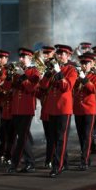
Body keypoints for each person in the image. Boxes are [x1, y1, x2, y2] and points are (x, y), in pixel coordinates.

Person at [39, 44, 77, 177]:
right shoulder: (53, 69)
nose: (60, 56)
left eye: (63, 54)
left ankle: (57, 166)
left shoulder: (71, 70)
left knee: (61, 138)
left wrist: (59, 73)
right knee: (54, 137)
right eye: (58, 54)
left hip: (63, 108)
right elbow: (43, 86)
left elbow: (66, 87)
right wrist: (48, 74)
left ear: (68, 56)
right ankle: (64, 162)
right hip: (52, 107)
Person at [6, 48, 40, 173]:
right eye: (20, 57)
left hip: (27, 109)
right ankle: (29, 162)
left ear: (29, 58)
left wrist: (23, 77)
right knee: (20, 137)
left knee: (22, 137)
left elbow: (32, 88)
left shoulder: (34, 71)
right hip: (16, 108)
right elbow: (6, 88)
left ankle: (17, 164)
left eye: (23, 57)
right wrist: (9, 77)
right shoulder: (16, 71)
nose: (20, 59)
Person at [73, 53, 96, 170]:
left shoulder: (95, 76)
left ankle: (84, 160)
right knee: (80, 135)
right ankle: (86, 157)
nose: (84, 66)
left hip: (89, 109)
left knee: (87, 135)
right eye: (82, 64)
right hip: (78, 109)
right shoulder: (78, 77)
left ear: (91, 64)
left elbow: (94, 89)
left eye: (86, 64)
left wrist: (84, 79)